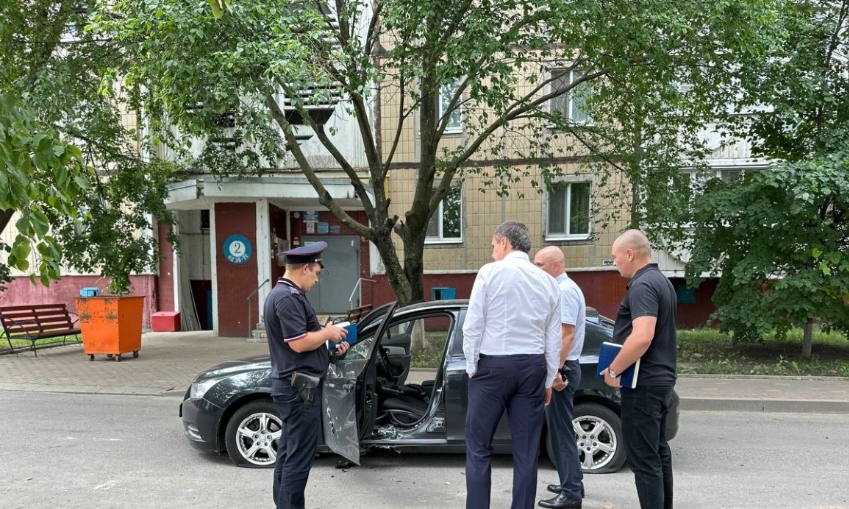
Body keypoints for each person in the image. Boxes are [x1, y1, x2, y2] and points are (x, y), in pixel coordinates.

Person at [463, 221, 562, 509]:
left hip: (491, 368)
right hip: (532, 367)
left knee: (479, 447)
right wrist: (548, 381)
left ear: (504, 243)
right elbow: (552, 337)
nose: (493, 251)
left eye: (494, 246)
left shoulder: (489, 273)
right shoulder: (547, 281)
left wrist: (472, 366)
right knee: (527, 452)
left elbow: (473, 326)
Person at [263, 241, 350, 509]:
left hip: (296, 387)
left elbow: (304, 344)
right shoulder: (288, 298)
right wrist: (327, 333)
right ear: (304, 268)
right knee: (298, 460)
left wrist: (330, 346)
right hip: (299, 390)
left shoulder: (286, 293)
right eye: (316, 273)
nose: (316, 279)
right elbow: (298, 342)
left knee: (289, 454)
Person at [601, 230, 677, 509]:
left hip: (643, 383)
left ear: (630, 254)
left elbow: (643, 336)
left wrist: (613, 370)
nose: (615, 262)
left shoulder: (643, 285)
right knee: (657, 453)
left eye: (615, 256)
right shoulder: (662, 282)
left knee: (644, 460)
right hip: (660, 381)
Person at [533, 246, 586, 509]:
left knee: (560, 433)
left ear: (556, 265)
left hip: (563, 369)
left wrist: (554, 372)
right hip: (566, 366)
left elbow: (567, 335)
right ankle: (573, 480)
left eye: (540, 264)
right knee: (563, 429)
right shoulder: (565, 288)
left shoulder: (564, 292)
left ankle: (571, 493)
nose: (536, 268)